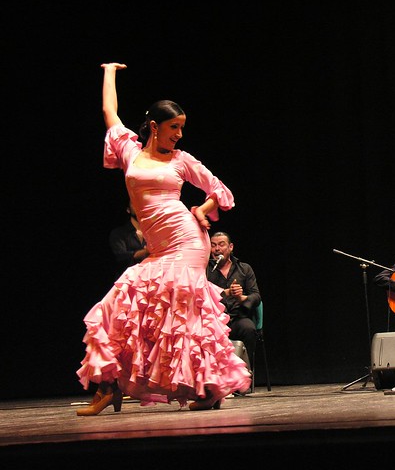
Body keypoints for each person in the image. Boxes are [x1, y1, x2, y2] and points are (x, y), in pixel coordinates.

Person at [76, 63, 252, 416]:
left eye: (182, 128)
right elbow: (109, 111)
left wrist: (203, 209)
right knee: (118, 306)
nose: (179, 135)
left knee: (184, 317)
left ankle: (209, 387)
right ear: (154, 126)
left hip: (187, 242)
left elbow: (221, 190)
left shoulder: (181, 161)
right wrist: (109, 71)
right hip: (158, 248)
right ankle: (108, 387)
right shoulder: (129, 152)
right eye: (174, 127)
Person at [206, 232, 261, 372]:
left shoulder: (244, 269)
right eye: (213, 245)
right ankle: (216, 376)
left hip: (238, 317)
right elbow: (200, 294)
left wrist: (242, 298)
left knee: (248, 328)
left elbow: (256, 296)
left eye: (221, 244)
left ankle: (245, 373)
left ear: (230, 247)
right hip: (214, 321)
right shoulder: (205, 270)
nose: (216, 249)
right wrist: (225, 292)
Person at [108, 200, 149, 274]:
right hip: (128, 278)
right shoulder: (118, 233)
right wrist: (143, 252)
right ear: (128, 210)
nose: (139, 207)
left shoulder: (153, 232)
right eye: (134, 204)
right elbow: (120, 257)